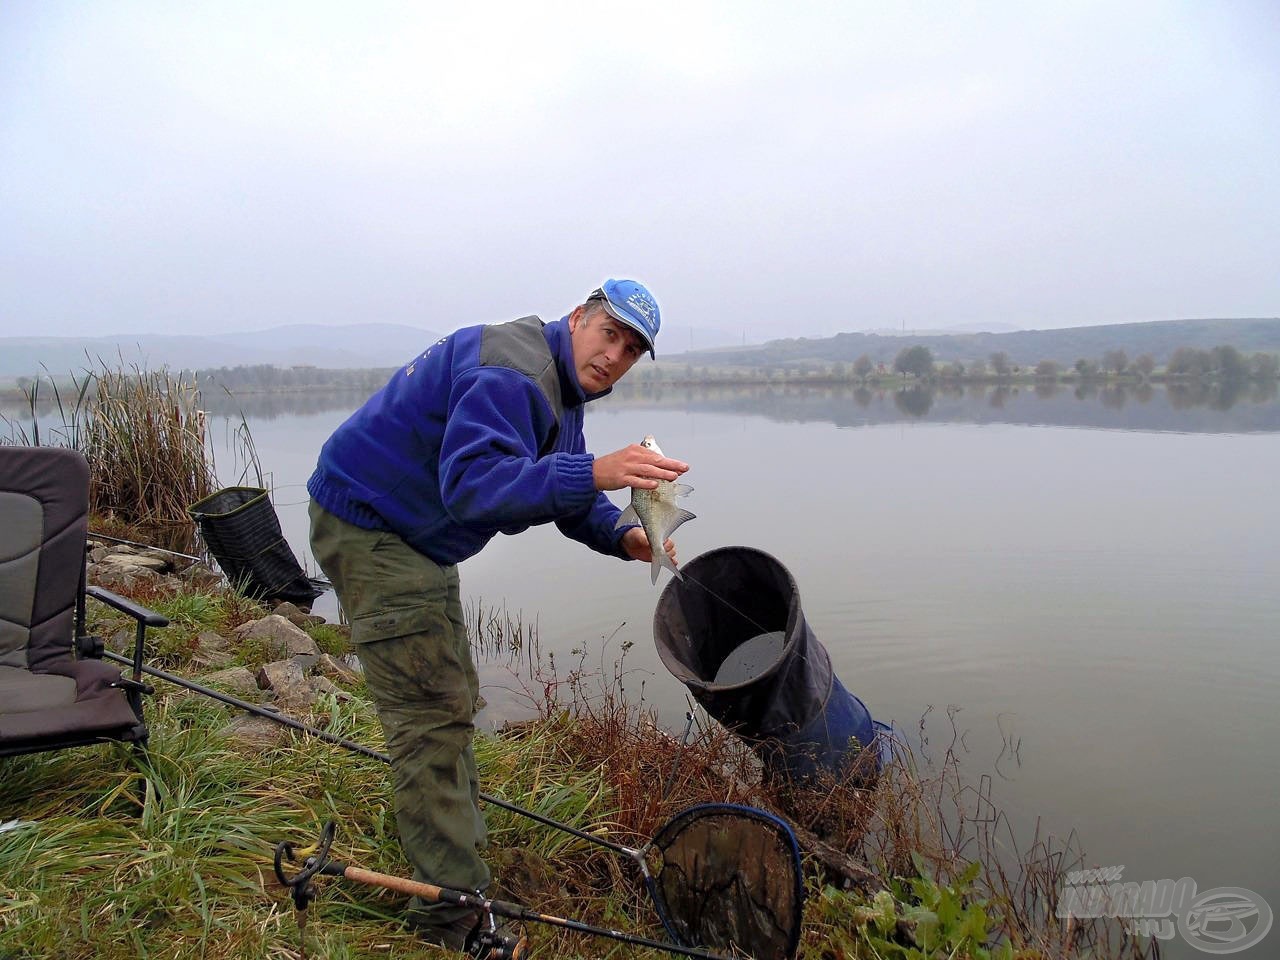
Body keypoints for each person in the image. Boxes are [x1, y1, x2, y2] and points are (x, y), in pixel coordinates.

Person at [305, 279, 688, 954]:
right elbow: (475, 487)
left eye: (631, 350)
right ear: (578, 318)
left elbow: (558, 482)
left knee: (450, 699)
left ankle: (458, 857)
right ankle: (454, 916)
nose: (614, 357)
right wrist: (599, 472)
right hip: (374, 530)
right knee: (428, 718)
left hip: (412, 536)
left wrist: (622, 536)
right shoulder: (516, 375)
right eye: (609, 334)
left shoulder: (558, 385)